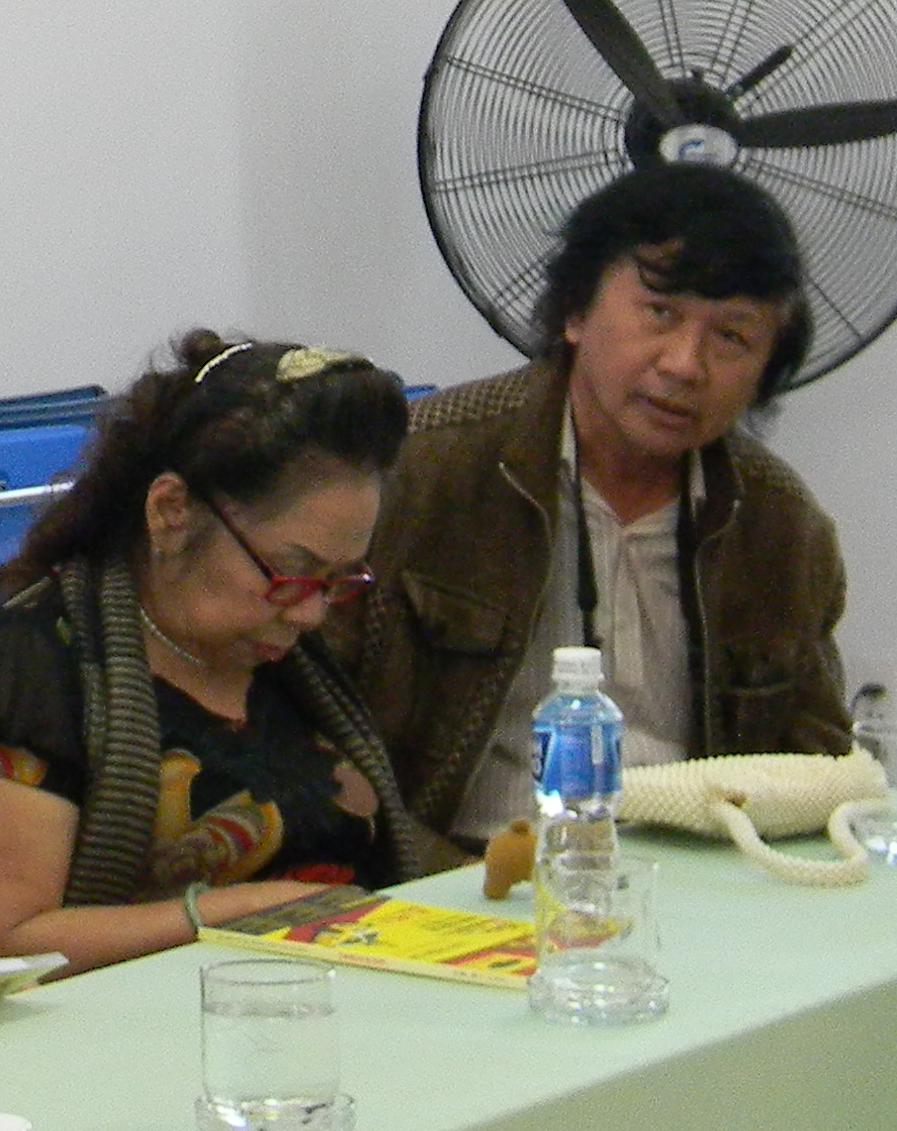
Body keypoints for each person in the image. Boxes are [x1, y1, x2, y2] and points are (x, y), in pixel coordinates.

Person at [336, 165, 851, 850]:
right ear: (575, 312)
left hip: (700, 875)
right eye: (659, 313)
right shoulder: (418, 470)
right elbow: (315, 734)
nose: (685, 365)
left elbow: (818, 765)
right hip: (458, 873)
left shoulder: (781, 526)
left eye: (732, 337)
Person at [0, 334, 444, 971]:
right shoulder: (33, 669)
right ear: (171, 511)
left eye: (337, 580)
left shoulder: (299, 662)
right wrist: (239, 913)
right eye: (290, 571)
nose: (311, 612)